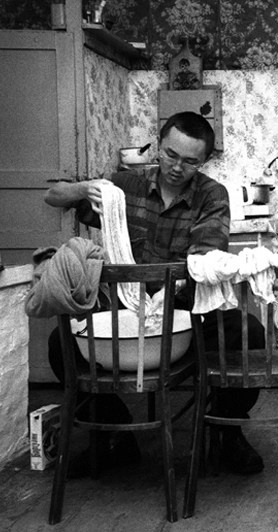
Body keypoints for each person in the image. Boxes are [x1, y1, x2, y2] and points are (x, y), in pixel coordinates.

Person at [44, 111, 265, 476]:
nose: (177, 167)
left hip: (185, 307)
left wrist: (166, 290)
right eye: (170, 154)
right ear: (158, 146)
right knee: (61, 343)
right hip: (126, 308)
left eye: (190, 161)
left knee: (248, 333)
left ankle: (226, 430)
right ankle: (113, 437)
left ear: (204, 161)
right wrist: (87, 189)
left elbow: (203, 259)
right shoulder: (125, 187)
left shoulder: (212, 196)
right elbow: (53, 195)